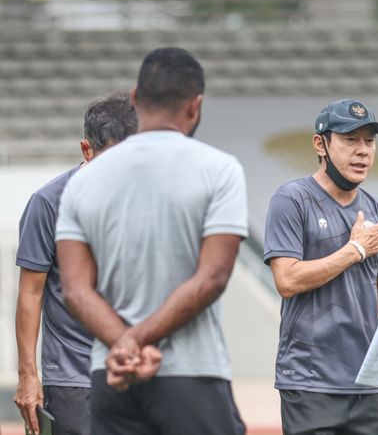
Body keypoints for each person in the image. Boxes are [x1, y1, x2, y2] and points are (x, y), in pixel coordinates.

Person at [54, 47, 248, 435]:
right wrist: (140, 339)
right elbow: (212, 278)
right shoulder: (220, 170)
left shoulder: (85, 181)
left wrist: (122, 345)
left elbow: (75, 290)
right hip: (192, 371)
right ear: (195, 106)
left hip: (112, 375)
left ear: (136, 98)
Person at [263, 98, 378, 435]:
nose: (363, 151)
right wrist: (356, 249)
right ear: (321, 144)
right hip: (310, 383)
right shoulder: (291, 200)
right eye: (350, 139)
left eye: (369, 141)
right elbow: (287, 280)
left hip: (371, 385)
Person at [14, 91, 137, 435]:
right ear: (86, 150)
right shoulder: (48, 204)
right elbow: (31, 293)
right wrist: (28, 376)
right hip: (73, 379)